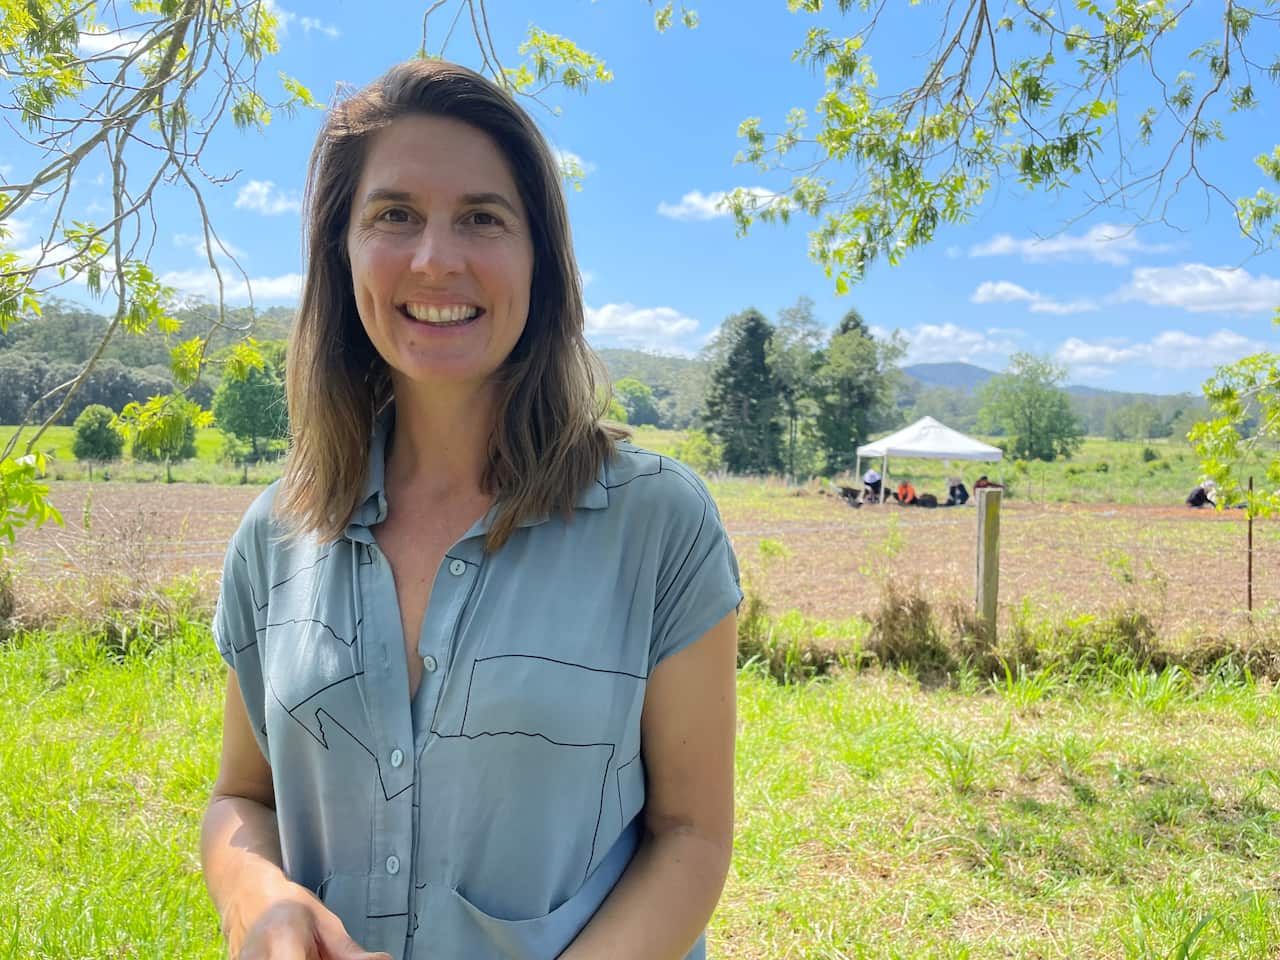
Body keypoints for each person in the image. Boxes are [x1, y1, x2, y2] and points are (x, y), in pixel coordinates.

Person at [201, 60, 741, 960]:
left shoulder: (661, 525)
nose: (435, 258)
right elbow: (240, 800)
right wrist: (258, 899)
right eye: (394, 214)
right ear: (343, 251)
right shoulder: (276, 533)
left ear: (541, 258)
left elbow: (691, 836)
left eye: (483, 218)